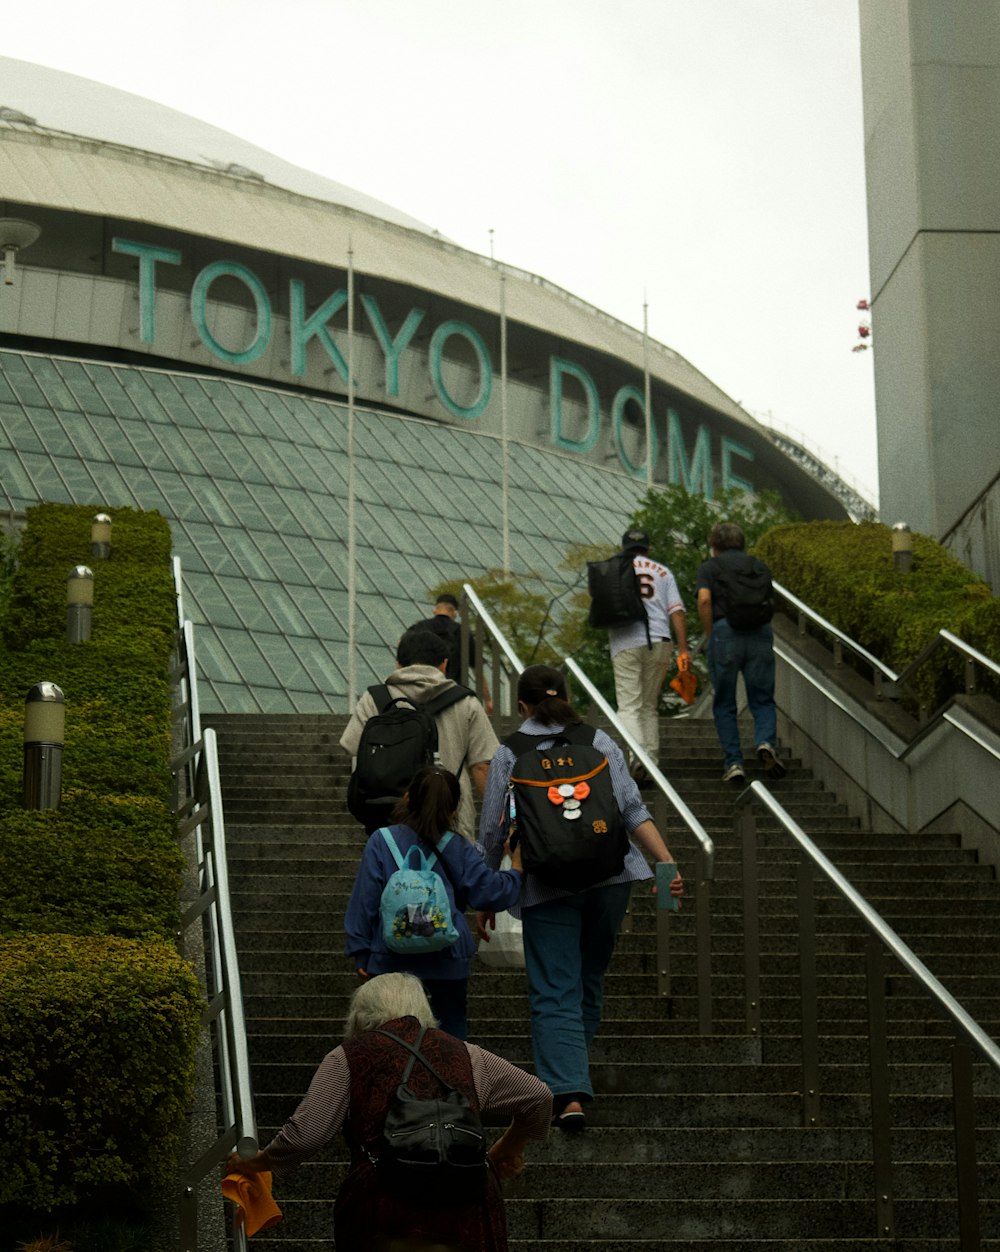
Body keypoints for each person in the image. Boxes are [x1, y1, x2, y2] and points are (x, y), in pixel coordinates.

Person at [476, 664, 684, 1132]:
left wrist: (486, 895)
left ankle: (568, 1093)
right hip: (612, 878)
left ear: (524, 705)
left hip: (546, 883)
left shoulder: (509, 752)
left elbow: (492, 831)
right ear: (566, 697)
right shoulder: (598, 740)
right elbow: (632, 808)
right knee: (588, 976)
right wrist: (665, 862)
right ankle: (573, 1065)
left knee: (554, 988)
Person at [227, 972, 552, 1252]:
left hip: (388, 1208)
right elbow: (538, 1096)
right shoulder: (467, 1054)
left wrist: (258, 1161)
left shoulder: (348, 1056)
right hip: (469, 1204)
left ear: (359, 1017)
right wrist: (510, 1146)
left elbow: (307, 1135)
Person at [345, 765, 523, 1038]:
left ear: (407, 798)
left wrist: (360, 949)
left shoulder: (381, 841)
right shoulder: (459, 847)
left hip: (390, 955)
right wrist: (517, 871)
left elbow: (364, 901)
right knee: (450, 1028)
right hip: (447, 956)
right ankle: (449, 1076)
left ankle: (400, 1077)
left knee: (390, 1032)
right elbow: (489, 893)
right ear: (453, 810)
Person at [340, 629, 498, 839]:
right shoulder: (465, 702)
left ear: (398, 663)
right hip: (451, 819)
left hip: (390, 818)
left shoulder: (374, 698)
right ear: (444, 664)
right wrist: (499, 824)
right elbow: (482, 766)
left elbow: (353, 747)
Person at [695, 520, 787, 785]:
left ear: (714, 545)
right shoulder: (758, 566)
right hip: (760, 634)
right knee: (763, 699)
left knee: (725, 703)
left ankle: (734, 762)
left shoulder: (710, 568)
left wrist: (711, 634)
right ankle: (766, 742)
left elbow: (704, 600)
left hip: (725, 633)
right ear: (742, 543)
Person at [607, 528, 689, 767]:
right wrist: (683, 648)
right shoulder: (663, 572)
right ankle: (651, 759)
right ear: (648, 549)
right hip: (660, 640)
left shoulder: (613, 569)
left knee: (629, 706)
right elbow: (677, 611)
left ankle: (637, 757)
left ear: (623, 548)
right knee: (649, 706)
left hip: (625, 641)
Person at [407, 592, 493, 714]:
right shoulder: (462, 632)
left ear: (435, 610)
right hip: (452, 695)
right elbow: (477, 668)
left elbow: (402, 647)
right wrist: (488, 700)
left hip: (421, 692)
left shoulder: (419, 628)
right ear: (455, 613)